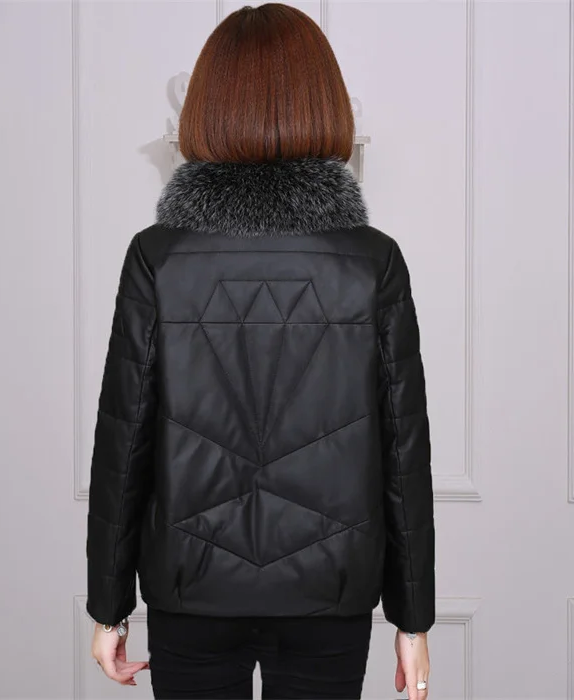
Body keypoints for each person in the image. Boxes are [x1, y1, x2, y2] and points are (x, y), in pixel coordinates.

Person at [85, 3, 435, 699]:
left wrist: (108, 606)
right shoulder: (373, 261)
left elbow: (124, 443)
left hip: (190, 590)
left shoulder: (158, 257)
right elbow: (404, 451)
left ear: (208, 108)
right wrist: (413, 618)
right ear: (323, 104)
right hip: (329, 593)